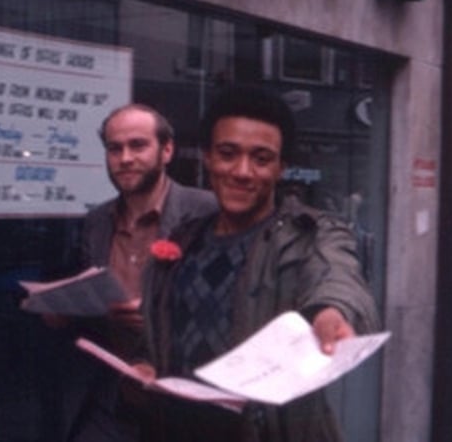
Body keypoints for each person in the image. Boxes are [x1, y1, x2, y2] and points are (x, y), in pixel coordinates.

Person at [141, 85, 381, 442]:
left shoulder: (310, 234)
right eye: (227, 153)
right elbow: (159, 334)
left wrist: (333, 312)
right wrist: (145, 363)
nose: (242, 171)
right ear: (207, 156)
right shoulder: (181, 240)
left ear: (282, 168)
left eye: (262, 158)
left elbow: (337, 275)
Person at [52, 103, 217, 442]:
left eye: (138, 145)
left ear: (167, 150)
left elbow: (236, 303)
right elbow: (92, 301)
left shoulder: (208, 212)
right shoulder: (96, 222)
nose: (125, 158)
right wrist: (64, 313)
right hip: (107, 401)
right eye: (115, 148)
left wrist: (163, 316)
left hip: (182, 403)